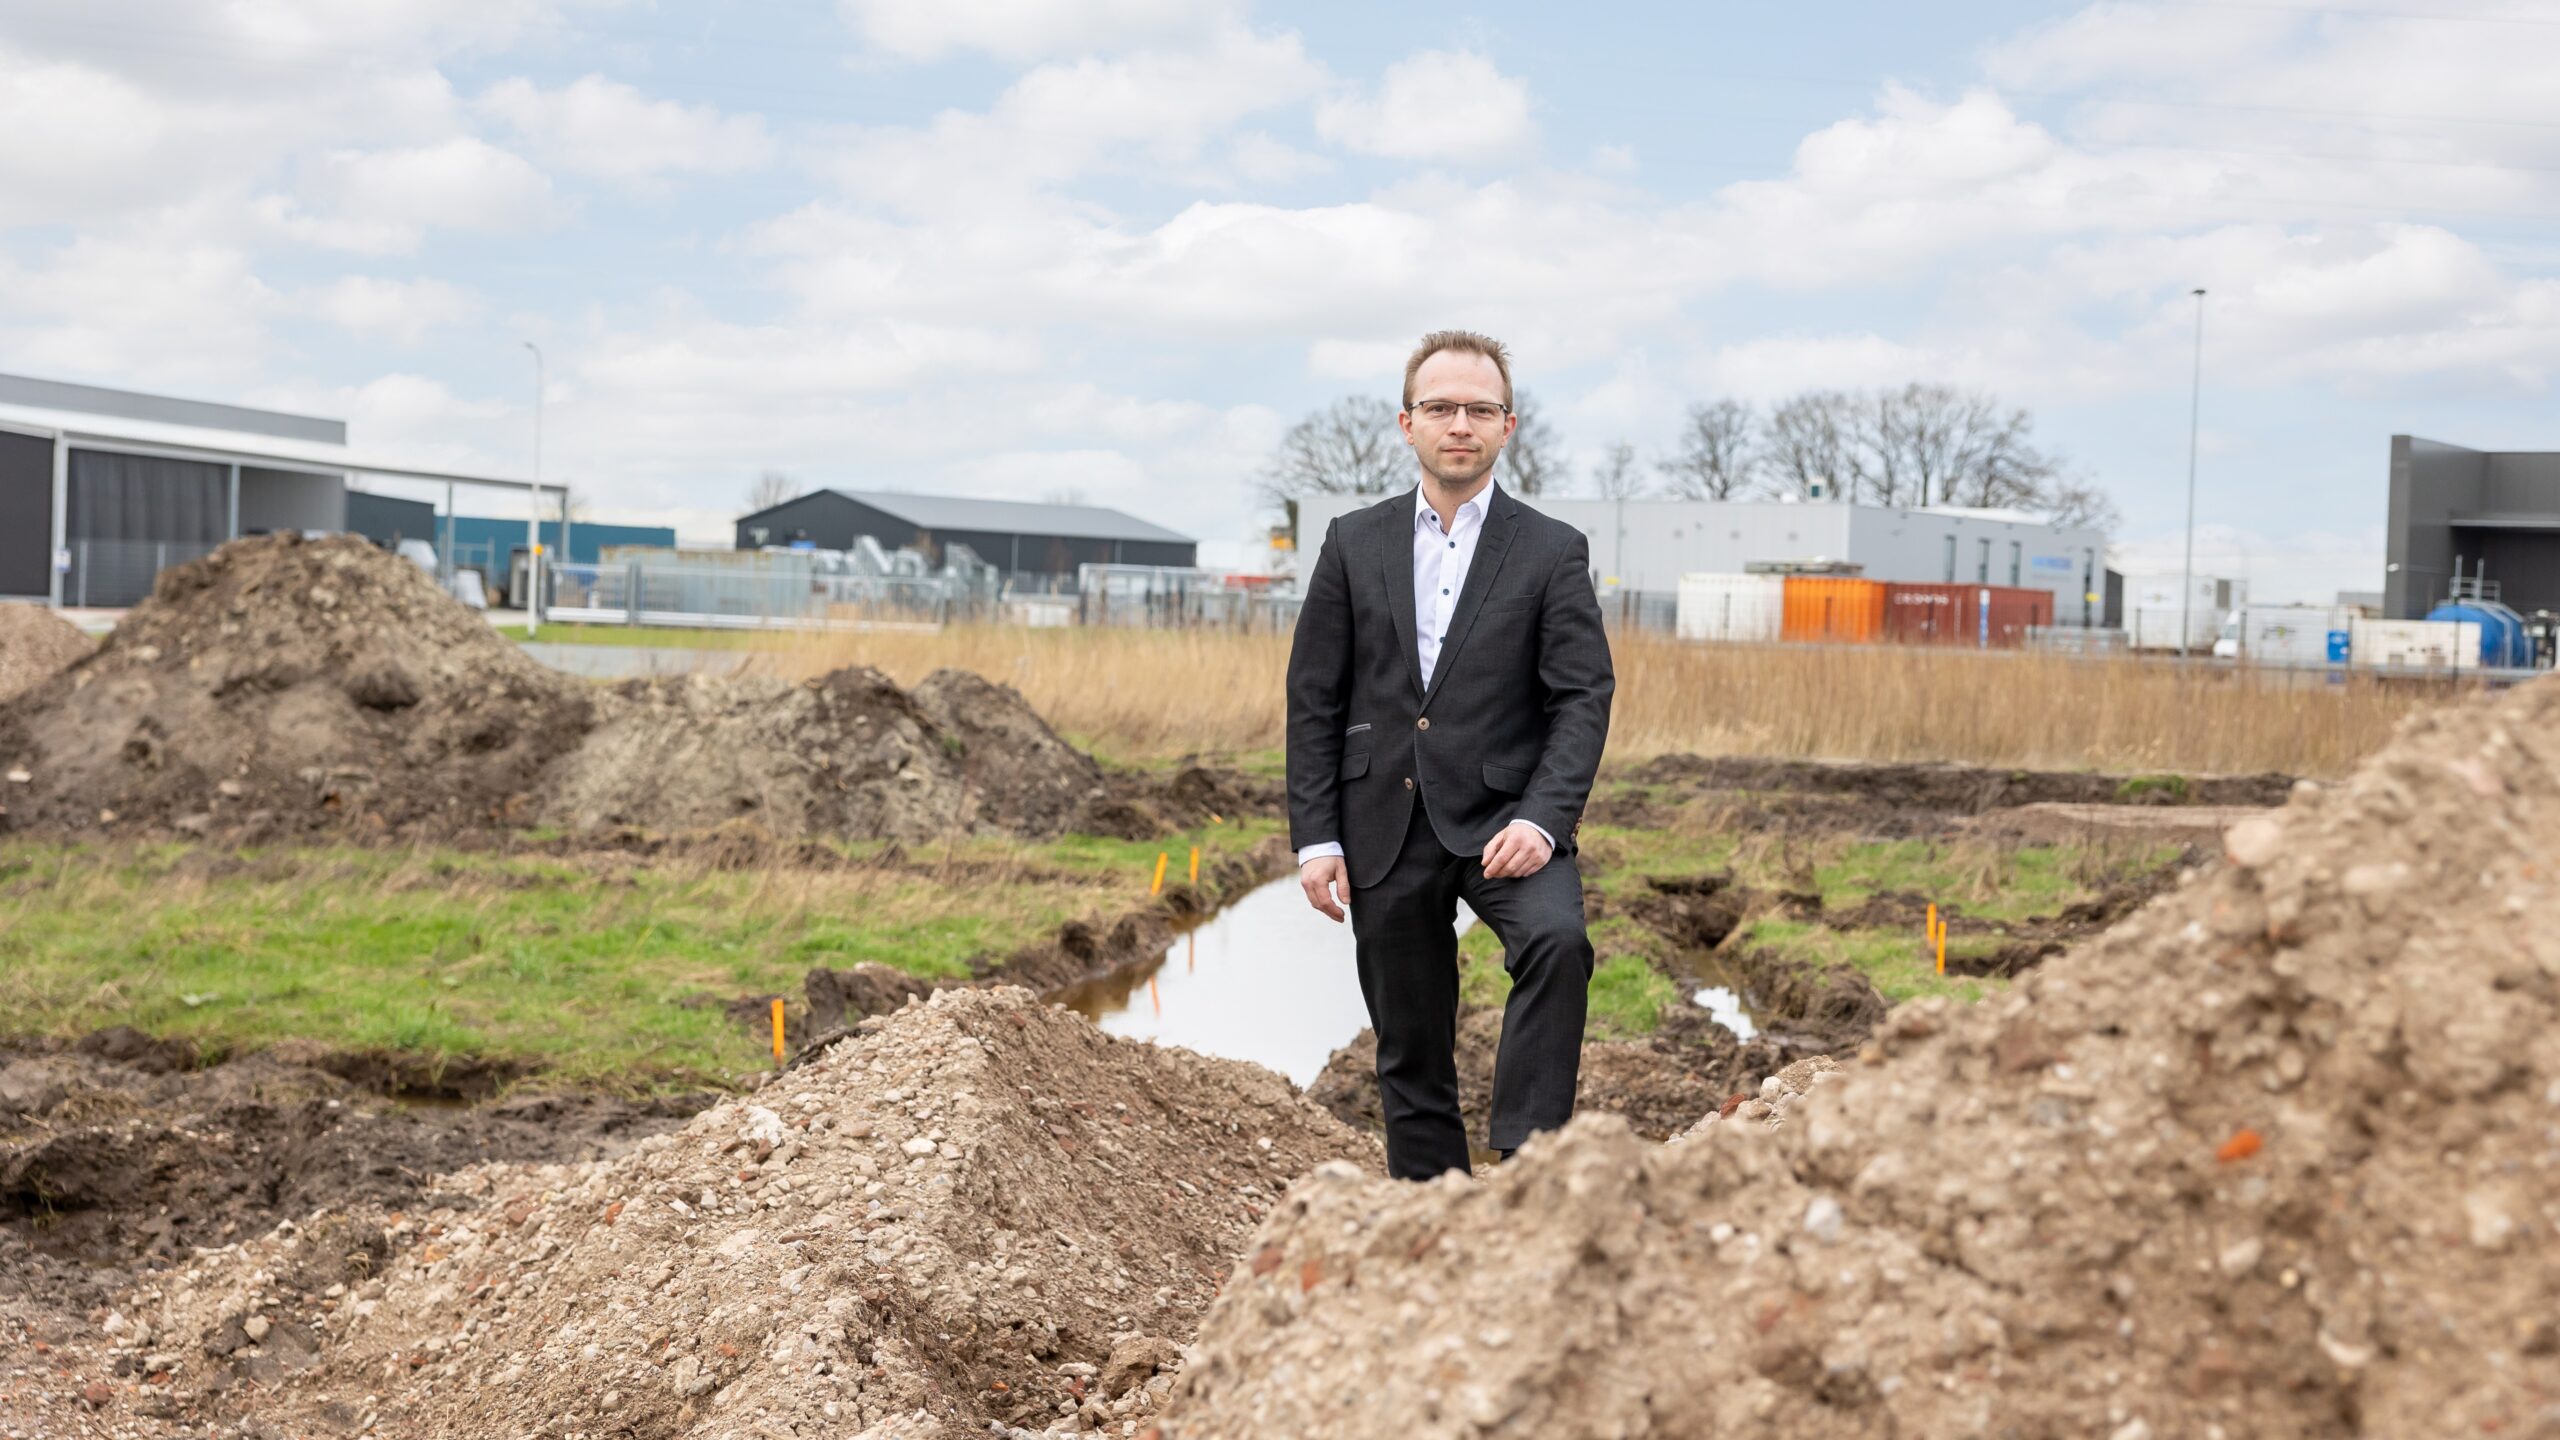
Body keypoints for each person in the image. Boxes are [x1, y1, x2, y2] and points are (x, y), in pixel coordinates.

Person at [1284, 330, 1615, 1180]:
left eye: (1478, 409)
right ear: (1407, 423)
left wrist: (1544, 819)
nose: (1458, 424)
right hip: (1383, 822)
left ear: (1509, 425)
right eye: (1440, 408)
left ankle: (1527, 1171)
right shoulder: (1351, 542)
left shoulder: (1551, 550)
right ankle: (1431, 1218)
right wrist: (1317, 837)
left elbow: (1582, 696)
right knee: (1410, 1042)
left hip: (1509, 820)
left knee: (1557, 945)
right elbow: (1315, 694)